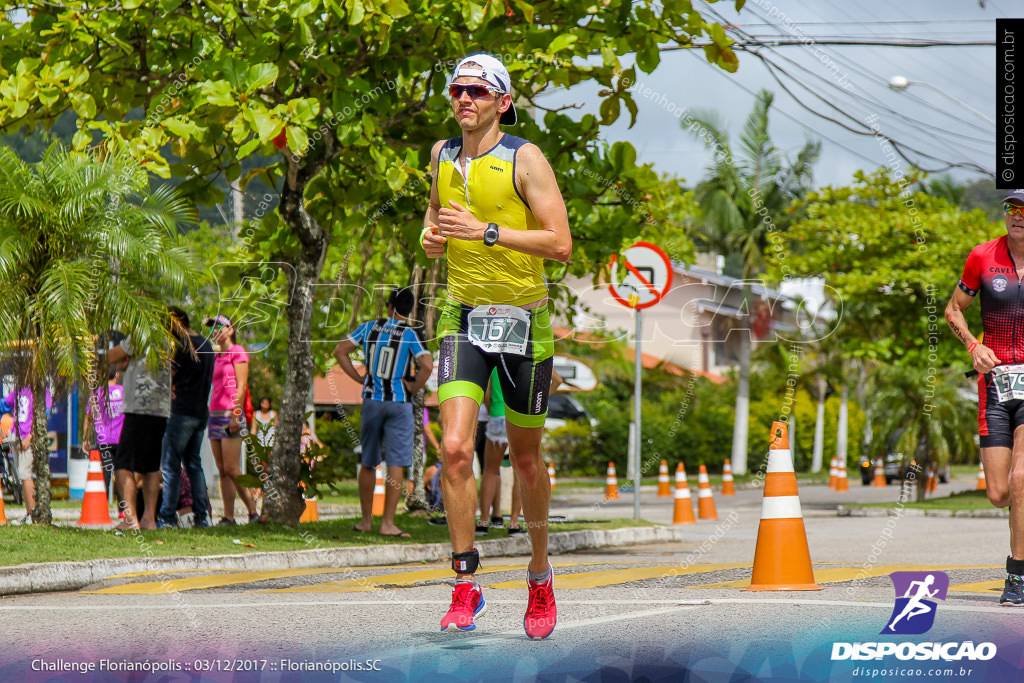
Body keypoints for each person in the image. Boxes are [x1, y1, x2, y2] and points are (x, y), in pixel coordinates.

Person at [421, 52, 571, 637]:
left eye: (479, 92)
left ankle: (539, 577)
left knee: (525, 460)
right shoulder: (441, 155)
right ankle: (465, 582)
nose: (465, 100)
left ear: (502, 102)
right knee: (455, 449)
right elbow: (433, 217)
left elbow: (559, 244)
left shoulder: (524, 158)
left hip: (523, 322)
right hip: (462, 317)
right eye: (458, 89)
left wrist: (487, 233)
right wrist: (433, 238)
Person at [946, 188, 1024, 605]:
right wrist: (974, 348)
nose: (1018, 215)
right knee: (1000, 493)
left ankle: (1018, 576)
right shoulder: (983, 256)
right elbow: (953, 310)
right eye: (1012, 208)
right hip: (995, 384)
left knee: (1021, 478)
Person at [334, 287, 432, 537]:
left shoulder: (369, 327)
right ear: (409, 311)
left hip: (371, 401)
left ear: (389, 307)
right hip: (399, 403)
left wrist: (358, 377)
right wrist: (414, 386)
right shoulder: (410, 333)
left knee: (368, 461)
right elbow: (427, 365)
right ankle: (387, 523)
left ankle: (365, 521)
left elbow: (340, 351)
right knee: (396, 462)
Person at [157, 306, 215, 528]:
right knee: (193, 464)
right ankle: (202, 517)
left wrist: (170, 389)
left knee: (171, 465)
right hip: (201, 414)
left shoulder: (183, 347)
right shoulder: (207, 345)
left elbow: (168, 379)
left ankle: (168, 517)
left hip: (181, 413)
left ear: (177, 323)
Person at [109, 335, 171, 530]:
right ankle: (148, 519)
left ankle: (129, 519)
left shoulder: (142, 330)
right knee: (151, 465)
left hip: (139, 406)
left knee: (122, 463)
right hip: (160, 407)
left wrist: (97, 355)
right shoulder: (167, 338)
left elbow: (114, 355)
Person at [205, 315, 258, 526]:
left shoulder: (238, 352)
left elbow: (242, 385)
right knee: (222, 470)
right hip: (214, 414)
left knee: (232, 468)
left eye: (219, 327)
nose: (215, 331)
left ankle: (253, 511)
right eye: (212, 329)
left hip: (231, 414)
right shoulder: (216, 356)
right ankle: (228, 516)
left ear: (231, 329)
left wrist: (237, 414)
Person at [2, 384, 53, 525]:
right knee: (21, 475)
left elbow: (45, 415)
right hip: (17, 435)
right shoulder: (20, 388)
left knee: (25, 474)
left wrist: (30, 436)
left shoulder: (42, 390)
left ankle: (33, 514)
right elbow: (5, 405)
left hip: (28, 438)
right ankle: (28, 513)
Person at [82, 367, 125, 498]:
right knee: (122, 474)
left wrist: (85, 439)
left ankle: (103, 507)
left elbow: (88, 417)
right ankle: (123, 511)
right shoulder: (124, 392)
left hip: (104, 440)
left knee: (104, 476)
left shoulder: (96, 394)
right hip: (121, 440)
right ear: (117, 375)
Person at [477, 369, 507, 535]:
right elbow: (557, 380)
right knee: (520, 473)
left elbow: (487, 394)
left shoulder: (495, 360)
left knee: (489, 471)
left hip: (496, 415)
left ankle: (483, 522)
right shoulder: (527, 355)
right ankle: (515, 523)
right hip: (521, 417)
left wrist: (491, 410)